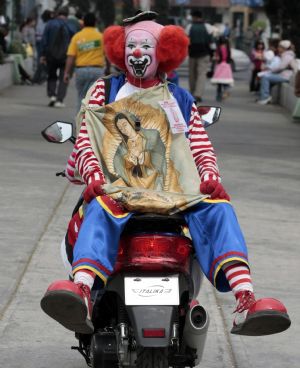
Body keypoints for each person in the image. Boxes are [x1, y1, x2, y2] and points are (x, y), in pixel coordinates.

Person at [40, 11, 290, 337]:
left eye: (146, 46)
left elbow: (199, 147)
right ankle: (84, 292)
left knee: (220, 210)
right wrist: (93, 177)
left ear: (163, 52)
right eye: (132, 46)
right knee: (98, 212)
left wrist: (210, 177)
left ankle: (245, 300)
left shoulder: (180, 99)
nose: (138, 53)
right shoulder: (105, 90)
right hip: (117, 190)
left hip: (175, 194)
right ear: (121, 49)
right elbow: (88, 139)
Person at [64, 12, 105, 111]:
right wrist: (107, 69)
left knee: (81, 97)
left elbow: (71, 57)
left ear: (83, 23)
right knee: (94, 99)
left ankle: (80, 122)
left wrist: (66, 73)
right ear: (95, 23)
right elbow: (107, 55)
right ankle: (91, 123)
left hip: (81, 71)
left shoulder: (77, 37)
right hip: (97, 71)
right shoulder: (101, 37)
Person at [40, 6, 74, 107]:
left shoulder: (50, 24)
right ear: (67, 15)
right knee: (64, 77)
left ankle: (52, 95)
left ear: (58, 14)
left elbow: (44, 40)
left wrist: (43, 54)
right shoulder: (70, 25)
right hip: (66, 56)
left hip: (51, 55)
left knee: (51, 75)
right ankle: (60, 99)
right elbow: (74, 40)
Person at [257, 40, 296, 105]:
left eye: (279, 47)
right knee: (266, 77)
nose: (278, 48)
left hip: (285, 76)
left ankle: (265, 97)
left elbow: (281, 67)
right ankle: (265, 96)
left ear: (283, 48)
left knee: (265, 77)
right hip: (284, 75)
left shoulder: (287, 56)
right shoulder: (286, 55)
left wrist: (270, 70)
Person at [186, 10, 212, 103]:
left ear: (194, 17)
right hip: (204, 53)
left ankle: (192, 93)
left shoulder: (190, 27)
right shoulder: (208, 27)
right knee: (202, 74)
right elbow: (211, 41)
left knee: (192, 75)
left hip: (192, 53)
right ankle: (198, 94)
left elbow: (186, 40)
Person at [211, 36, 234, 101]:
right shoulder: (228, 49)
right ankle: (226, 91)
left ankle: (218, 96)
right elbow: (230, 57)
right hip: (226, 66)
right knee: (226, 81)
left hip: (220, 66)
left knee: (219, 83)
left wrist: (214, 58)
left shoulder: (219, 49)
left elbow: (217, 58)